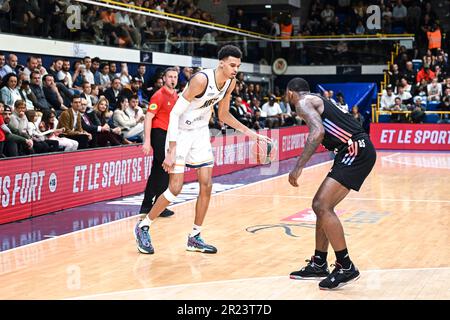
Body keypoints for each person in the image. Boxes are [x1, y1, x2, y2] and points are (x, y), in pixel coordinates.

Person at [134, 45, 270, 254]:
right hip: (179, 132)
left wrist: (252, 134)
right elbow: (174, 115)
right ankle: (144, 226)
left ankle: (195, 236)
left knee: (206, 185)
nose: (235, 69)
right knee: (176, 188)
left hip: (199, 132)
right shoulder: (201, 80)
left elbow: (224, 115)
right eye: (232, 65)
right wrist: (170, 150)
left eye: (238, 66)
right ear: (221, 63)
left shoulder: (230, 82)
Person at [286, 77, 376, 290]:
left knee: (321, 205)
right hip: (354, 148)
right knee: (322, 207)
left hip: (354, 148)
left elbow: (318, 132)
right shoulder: (317, 99)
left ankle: (345, 266)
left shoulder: (302, 102)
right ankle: (319, 263)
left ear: (290, 93)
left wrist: (298, 166)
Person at [139, 67, 179, 218]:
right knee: (165, 168)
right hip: (159, 134)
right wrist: (147, 141)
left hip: (169, 135)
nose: (173, 79)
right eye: (170, 77)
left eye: (175, 77)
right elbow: (148, 118)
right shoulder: (158, 95)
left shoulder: (175, 95)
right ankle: (159, 206)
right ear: (164, 78)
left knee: (157, 170)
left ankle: (146, 205)